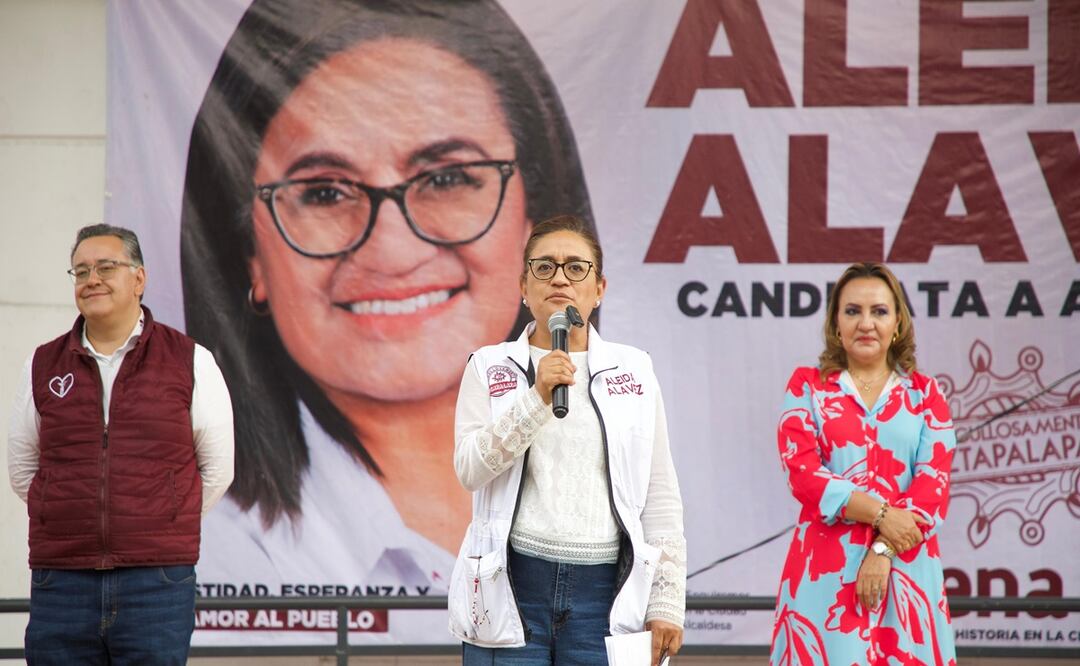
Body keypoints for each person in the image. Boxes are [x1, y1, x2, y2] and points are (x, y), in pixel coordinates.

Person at [178, 0, 597, 631]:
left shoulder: (611, 443)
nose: (392, 251)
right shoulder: (210, 553)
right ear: (250, 258)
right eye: (323, 191)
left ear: (532, 224)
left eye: (449, 177)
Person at [451, 214, 686, 665]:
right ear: (523, 285)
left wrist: (666, 602)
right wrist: (536, 398)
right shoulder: (489, 366)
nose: (560, 277)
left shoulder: (633, 371)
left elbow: (660, 495)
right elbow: (470, 469)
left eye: (576, 267)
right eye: (545, 266)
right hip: (514, 584)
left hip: (604, 593)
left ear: (599, 289)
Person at [6, 224, 234, 664]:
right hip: (63, 581)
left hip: (157, 583)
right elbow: (23, 469)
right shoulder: (42, 363)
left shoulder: (190, 360)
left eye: (106, 267)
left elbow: (218, 468)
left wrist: (160, 516)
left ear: (139, 279)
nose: (92, 279)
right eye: (81, 270)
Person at [769, 262, 956, 665]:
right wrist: (884, 514)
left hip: (908, 572)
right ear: (836, 324)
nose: (866, 323)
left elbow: (933, 486)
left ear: (898, 323)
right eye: (852, 311)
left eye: (879, 311)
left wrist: (884, 549)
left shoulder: (926, 394)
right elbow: (804, 475)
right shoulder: (808, 386)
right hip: (825, 575)